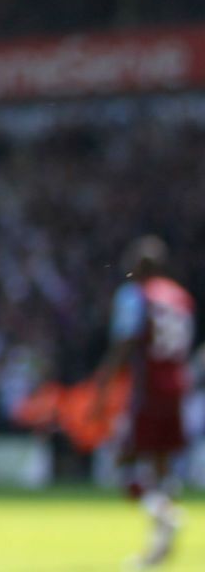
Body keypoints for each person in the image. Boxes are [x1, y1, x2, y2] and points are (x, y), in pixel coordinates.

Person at [92, 236, 193, 569]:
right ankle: (159, 547)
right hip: (178, 388)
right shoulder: (181, 298)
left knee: (122, 461)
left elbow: (126, 342)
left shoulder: (137, 296)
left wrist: (104, 385)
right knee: (162, 468)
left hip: (149, 390)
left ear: (139, 267)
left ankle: (165, 516)